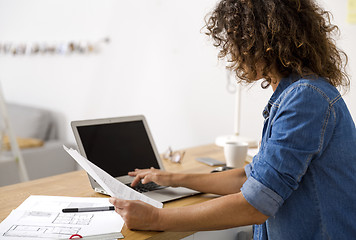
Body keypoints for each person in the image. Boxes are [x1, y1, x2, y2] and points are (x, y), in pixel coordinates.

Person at [109, 0, 356, 238]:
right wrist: (171, 178)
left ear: (261, 39)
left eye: (236, 40)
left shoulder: (305, 98)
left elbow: (256, 204)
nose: (232, 52)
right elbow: (249, 178)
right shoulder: (300, 93)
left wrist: (155, 218)